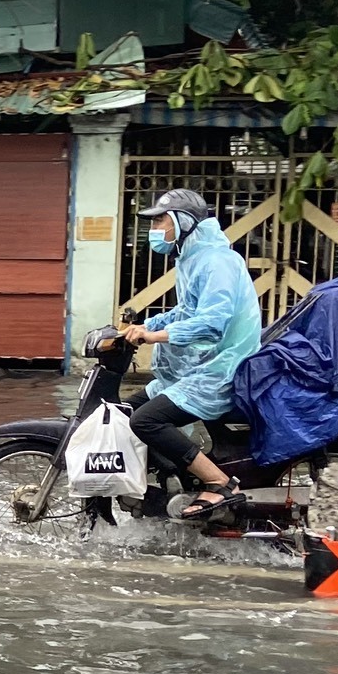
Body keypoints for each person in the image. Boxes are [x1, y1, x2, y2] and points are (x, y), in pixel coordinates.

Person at [120, 187, 262, 518]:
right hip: (202, 367)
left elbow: (212, 323)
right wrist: (140, 326)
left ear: (183, 222)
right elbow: (186, 311)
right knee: (126, 410)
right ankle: (172, 479)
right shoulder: (193, 258)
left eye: (160, 222)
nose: (154, 230)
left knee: (147, 419)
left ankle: (220, 484)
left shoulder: (216, 262)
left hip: (222, 370)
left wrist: (154, 336)